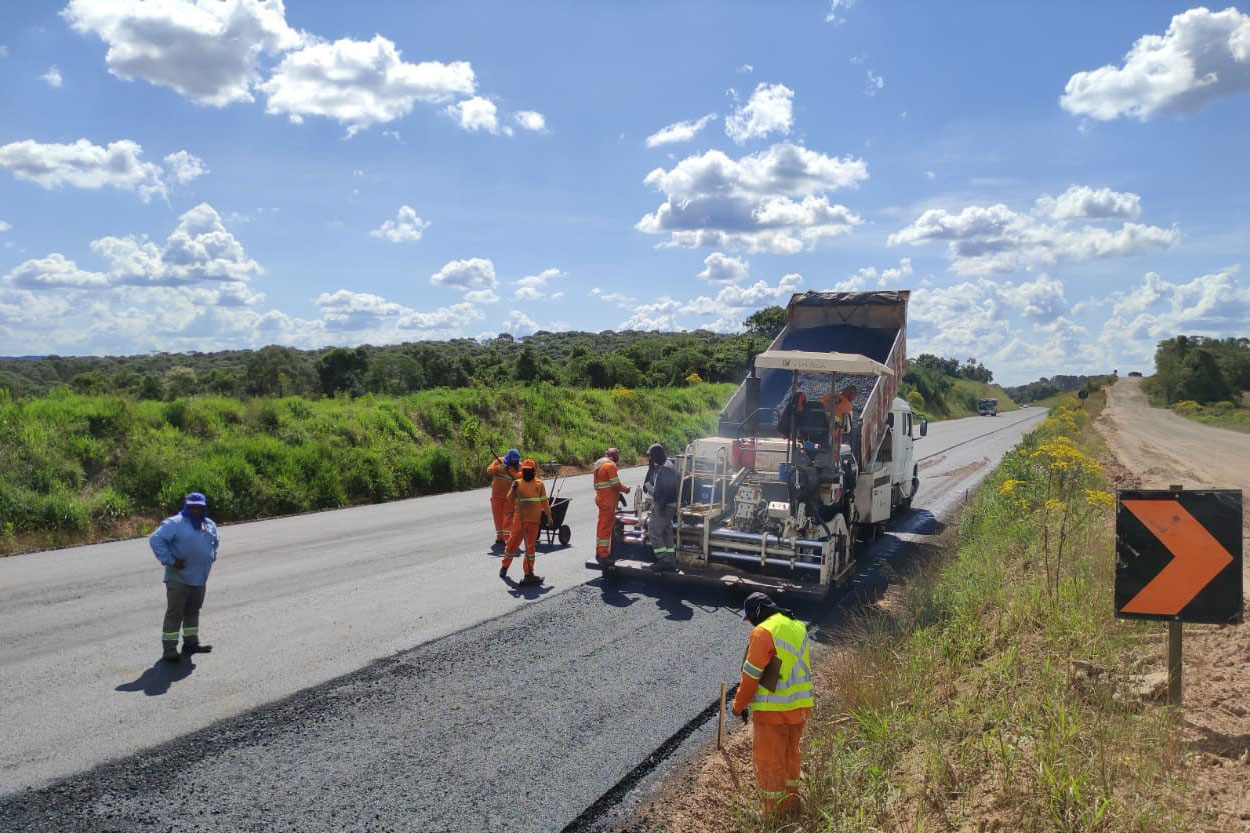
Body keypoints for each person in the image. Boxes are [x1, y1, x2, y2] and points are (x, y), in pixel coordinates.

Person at [732, 592, 814, 819]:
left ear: (756, 613)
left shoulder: (763, 632)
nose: (752, 623)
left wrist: (738, 705)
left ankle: (771, 815)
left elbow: (751, 676)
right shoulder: (797, 625)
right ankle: (790, 805)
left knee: (769, 760)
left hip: (773, 709)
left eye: (750, 618)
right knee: (790, 756)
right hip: (800, 706)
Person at [149, 492, 220, 662]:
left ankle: (191, 643)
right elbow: (155, 539)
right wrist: (170, 560)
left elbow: (215, 541)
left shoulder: (208, 524)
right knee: (175, 613)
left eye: (199, 507)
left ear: (204, 508)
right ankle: (169, 649)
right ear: (186, 506)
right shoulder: (175, 523)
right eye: (192, 507)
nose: (195, 510)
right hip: (179, 578)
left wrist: (211, 556)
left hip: (199, 578)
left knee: (193, 611)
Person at [502, 459, 552, 586]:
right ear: (522, 471)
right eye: (524, 470)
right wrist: (513, 489)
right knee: (512, 544)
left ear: (534, 471)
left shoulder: (539, 484)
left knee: (530, 548)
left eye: (529, 471)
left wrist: (549, 515)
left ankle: (529, 573)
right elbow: (509, 499)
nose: (526, 472)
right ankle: (504, 566)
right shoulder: (517, 484)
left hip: (534, 522)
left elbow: (544, 502)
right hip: (520, 520)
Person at [592, 448, 630, 564]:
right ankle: (603, 555)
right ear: (615, 458)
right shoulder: (610, 466)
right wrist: (625, 490)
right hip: (608, 503)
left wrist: (617, 494)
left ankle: (599, 552)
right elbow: (615, 484)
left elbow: (602, 485)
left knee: (601, 527)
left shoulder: (598, 467)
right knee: (606, 528)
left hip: (601, 500)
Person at [645, 443, 678, 572]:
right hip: (668, 505)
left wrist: (662, 505)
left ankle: (664, 560)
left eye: (652, 456)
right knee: (666, 531)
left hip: (664, 505)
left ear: (658, 455)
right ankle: (670, 558)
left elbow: (669, 489)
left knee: (653, 531)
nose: (651, 459)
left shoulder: (665, 469)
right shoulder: (667, 466)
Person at [487, 449, 521, 549]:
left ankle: (508, 538)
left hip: (509, 498)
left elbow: (523, 477)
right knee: (498, 518)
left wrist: (514, 474)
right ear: (509, 458)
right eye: (512, 461)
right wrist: (498, 468)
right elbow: (489, 470)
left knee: (508, 518)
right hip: (496, 497)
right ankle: (499, 538)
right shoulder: (499, 461)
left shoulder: (520, 466)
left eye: (516, 461)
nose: (514, 463)